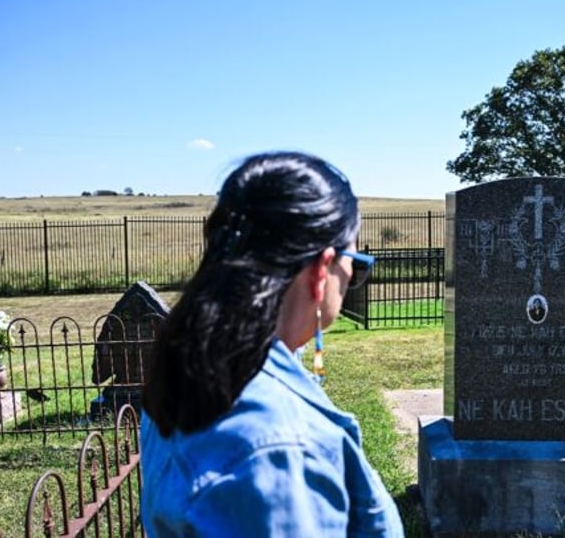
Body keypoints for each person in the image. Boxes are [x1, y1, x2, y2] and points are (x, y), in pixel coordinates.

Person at [140, 152, 404, 537]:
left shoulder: (194, 369)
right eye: (355, 263)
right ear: (320, 271)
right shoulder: (279, 450)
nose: (351, 279)